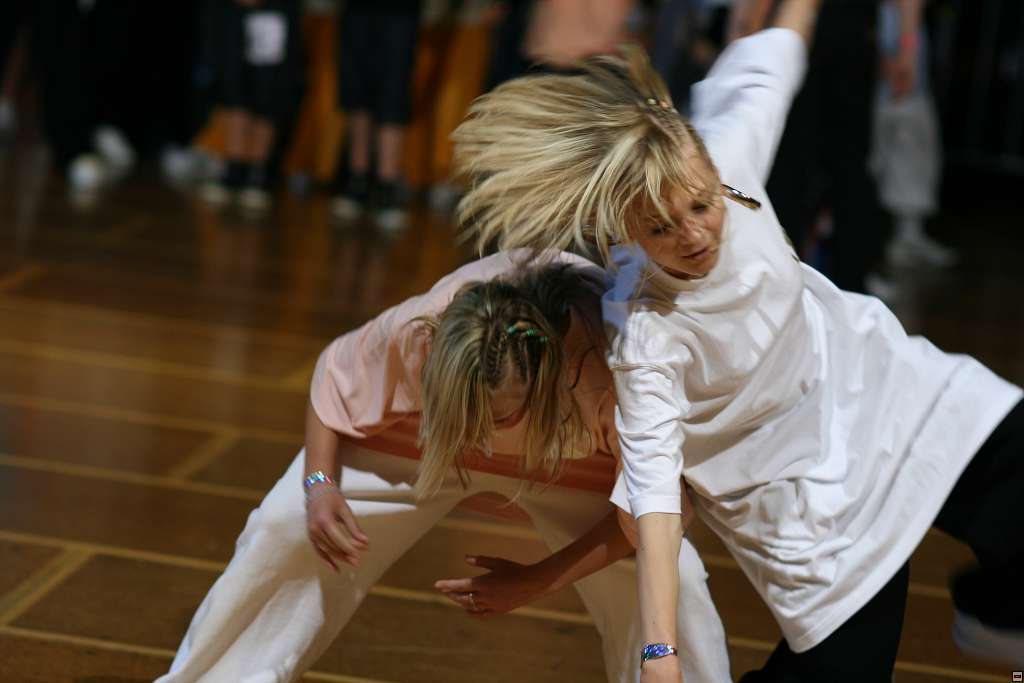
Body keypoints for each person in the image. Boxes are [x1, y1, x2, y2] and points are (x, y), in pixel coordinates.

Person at [450, 0, 1024, 680]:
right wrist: (659, 653)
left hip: (885, 396)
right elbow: (655, 507)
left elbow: (781, 46)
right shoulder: (645, 334)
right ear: (626, 233)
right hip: (806, 510)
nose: (693, 234)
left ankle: (1001, 613)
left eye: (701, 204)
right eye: (661, 229)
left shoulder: (730, 148)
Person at [156, 252, 732, 683]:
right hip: (423, 446)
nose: (481, 437)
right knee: (285, 527)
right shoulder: (422, 330)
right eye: (463, 414)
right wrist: (319, 484)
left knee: (672, 579)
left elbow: (660, 513)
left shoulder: (614, 373)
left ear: (543, 382)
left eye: (496, 419)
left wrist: (540, 579)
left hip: (573, 461)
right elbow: (334, 372)